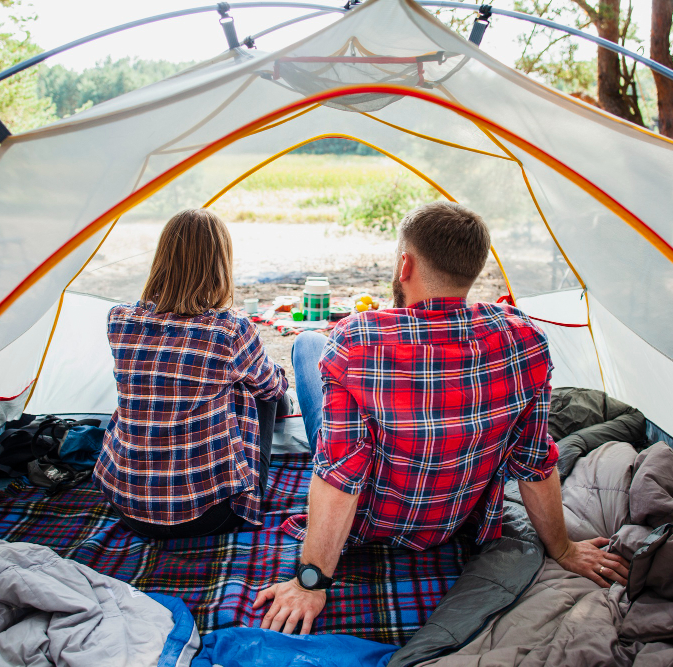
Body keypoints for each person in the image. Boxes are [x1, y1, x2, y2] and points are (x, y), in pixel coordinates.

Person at [253, 202, 629, 634]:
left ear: (404, 265)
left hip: (369, 523)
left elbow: (341, 475)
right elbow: (534, 461)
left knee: (306, 345)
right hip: (449, 526)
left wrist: (311, 581)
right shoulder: (524, 340)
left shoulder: (356, 340)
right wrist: (562, 550)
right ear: (473, 269)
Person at [94, 208, 290, 540]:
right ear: (219, 265)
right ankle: (249, 486)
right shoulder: (229, 328)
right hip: (207, 515)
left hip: (128, 507)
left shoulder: (119, 319)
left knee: (173, 385)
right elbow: (272, 387)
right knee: (257, 388)